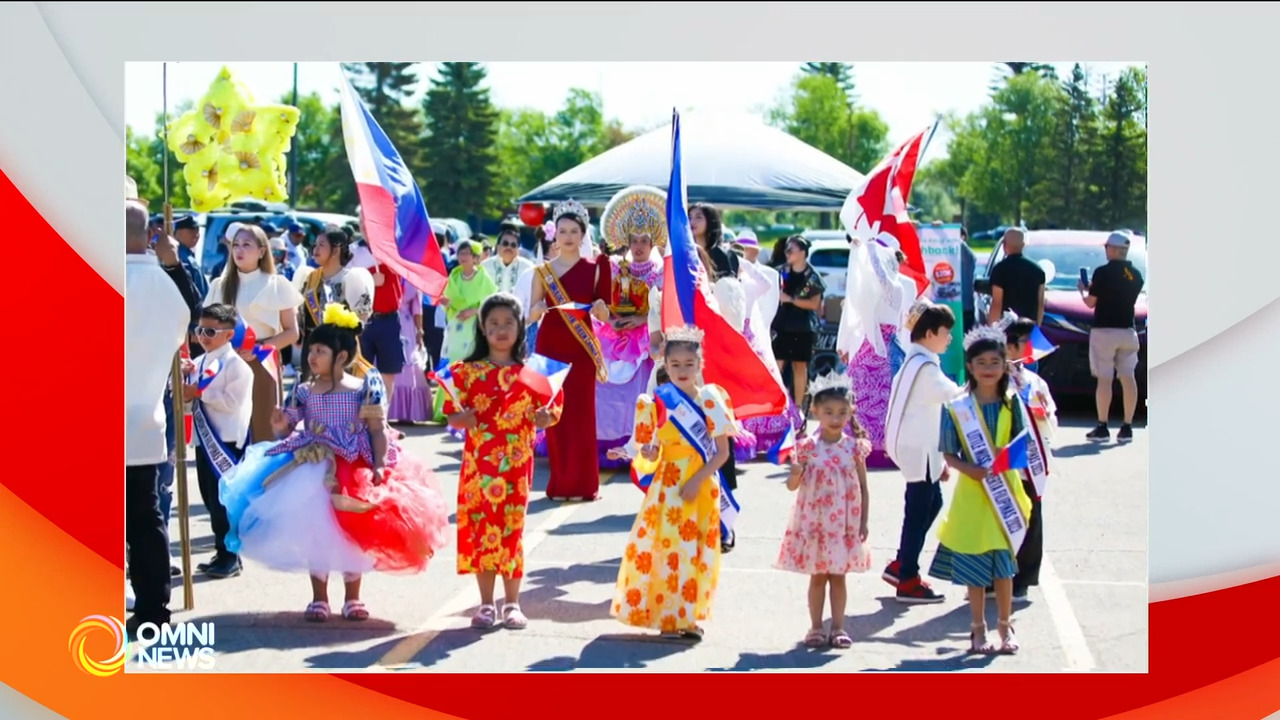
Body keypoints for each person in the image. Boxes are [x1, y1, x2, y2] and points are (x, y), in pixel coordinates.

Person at [218, 303, 451, 622]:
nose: (311, 356)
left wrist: (379, 464)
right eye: (310, 349)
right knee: (317, 532)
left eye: (320, 350)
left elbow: (376, 430)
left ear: (341, 356)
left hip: (352, 465)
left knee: (351, 532)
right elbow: (289, 423)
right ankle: (319, 598)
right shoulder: (303, 390)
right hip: (311, 464)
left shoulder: (363, 388)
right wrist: (280, 423)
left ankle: (353, 598)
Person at [609, 326, 735, 640]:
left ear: (700, 365)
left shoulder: (710, 400)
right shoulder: (661, 401)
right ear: (665, 364)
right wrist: (647, 451)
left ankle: (689, 617)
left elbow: (722, 453)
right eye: (675, 364)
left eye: (689, 364)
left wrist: (696, 481)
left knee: (694, 551)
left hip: (700, 484)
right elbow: (654, 449)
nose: (682, 371)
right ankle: (666, 614)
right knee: (666, 549)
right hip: (667, 485)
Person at [445, 294, 560, 631]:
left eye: (508, 323)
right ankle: (484, 605)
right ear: (482, 328)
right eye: (493, 324)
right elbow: (451, 410)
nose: (500, 330)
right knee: (482, 532)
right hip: (478, 468)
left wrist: (545, 417)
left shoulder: (534, 371)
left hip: (515, 468)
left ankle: (512, 603)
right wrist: (459, 419)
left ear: (520, 326)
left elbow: (553, 408)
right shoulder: (466, 373)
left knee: (511, 531)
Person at [928, 324, 1034, 655]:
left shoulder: (1011, 404)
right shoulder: (957, 407)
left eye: (995, 362)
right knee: (975, 568)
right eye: (981, 363)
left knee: (1004, 567)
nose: (988, 369)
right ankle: (977, 628)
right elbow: (947, 451)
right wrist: (968, 469)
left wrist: (1009, 461)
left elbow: (1023, 443)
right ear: (970, 367)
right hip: (973, 496)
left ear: (1005, 365)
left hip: (1004, 493)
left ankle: (1006, 626)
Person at [125, 200, 192, 637]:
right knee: (146, 520)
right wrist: (173, 265)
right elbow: (195, 319)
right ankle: (153, 607)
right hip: (145, 419)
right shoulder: (167, 285)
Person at [777, 372, 872, 649]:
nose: (835, 418)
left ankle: (839, 627)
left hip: (844, 525)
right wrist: (794, 474)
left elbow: (864, 487)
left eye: (842, 412)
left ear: (850, 412)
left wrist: (863, 521)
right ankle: (816, 626)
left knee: (839, 577)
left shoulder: (855, 448)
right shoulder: (807, 448)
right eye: (828, 412)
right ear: (816, 410)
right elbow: (793, 487)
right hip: (815, 526)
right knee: (818, 576)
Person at [528, 199, 613, 502]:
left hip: (581, 350)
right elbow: (530, 314)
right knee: (552, 418)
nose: (567, 236)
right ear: (554, 234)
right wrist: (537, 309)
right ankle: (560, 484)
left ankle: (584, 485)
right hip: (549, 348)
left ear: (582, 234)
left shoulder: (596, 268)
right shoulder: (542, 271)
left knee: (580, 417)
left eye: (573, 231)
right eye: (562, 230)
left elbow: (605, 314)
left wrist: (603, 309)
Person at [880, 301, 962, 604]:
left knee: (930, 504)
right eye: (946, 332)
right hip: (918, 449)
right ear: (929, 334)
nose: (949, 338)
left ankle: (902, 564)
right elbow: (954, 396)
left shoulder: (917, 361)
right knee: (917, 514)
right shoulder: (925, 368)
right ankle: (908, 579)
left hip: (915, 446)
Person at [204, 223, 303, 443]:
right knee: (229, 429)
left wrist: (260, 347)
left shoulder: (278, 285)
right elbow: (208, 330)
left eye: (246, 244)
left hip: (262, 362)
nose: (239, 250)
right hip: (226, 362)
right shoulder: (220, 285)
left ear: (261, 251)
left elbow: (292, 333)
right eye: (236, 245)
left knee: (262, 427)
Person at [988, 313, 1058, 602]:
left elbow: (1051, 417)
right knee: (998, 517)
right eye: (1023, 342)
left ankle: (1023, 577)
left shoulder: (1033, 381)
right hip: (1001, 459)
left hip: (1030, 461)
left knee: (1029, 517)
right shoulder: (993, 379)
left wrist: (1044, 412)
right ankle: (996, 577)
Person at [180, 303, 254, 579]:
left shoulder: (238, 367)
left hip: (227, 443)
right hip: (204, 441)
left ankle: (231, 556)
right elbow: (190, 398)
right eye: (200, 330)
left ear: (228, 334)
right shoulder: (200, 362)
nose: (204, 336)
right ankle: (221, 551)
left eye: (211, 331)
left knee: (225, 503)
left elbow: (231, 403)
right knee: (210, 499)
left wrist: (199, 393)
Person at [595, 185, 667, 468]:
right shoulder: (614, 267)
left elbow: (662, 308)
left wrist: (644, 319)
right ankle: (605, 443)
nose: (638, 246)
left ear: (653, 244)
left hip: (644, 339)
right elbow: (601, 300)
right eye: (634, 240)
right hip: (613, 334)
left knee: (638, 394)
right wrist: (612, 318)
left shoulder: (659, 274)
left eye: (644, 241)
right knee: (606, 390)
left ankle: (639, 443)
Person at [1080, 231, 1145, 442]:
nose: (1106, 251)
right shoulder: (1136, 275)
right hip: (1128, 329)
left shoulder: (1102, 273)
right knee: (1128, 377)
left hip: (1104, 330)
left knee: (1105, 379)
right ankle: (1127, 426)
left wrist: (1083, 290)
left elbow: (1091, 303)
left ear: (1113, 249)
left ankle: (1102, 426)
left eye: (1107, 247)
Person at [772, 236, 826, 414]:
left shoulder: (812, 276)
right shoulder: (780, 272)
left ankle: (798, 407)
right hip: (781, 324)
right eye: (786, 250)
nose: (787, 254)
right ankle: (774, 403)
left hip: (802, 326)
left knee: (799, 366)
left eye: (791, 250)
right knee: (776, 364)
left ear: (802, 252)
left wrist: (790, 299)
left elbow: (813, 304)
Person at [986, 227, 1046, 325]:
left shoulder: (1000, 269)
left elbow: (997, 303)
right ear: (1023, 245)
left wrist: (992, 328)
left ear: (1004, 245)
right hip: (1028, 327)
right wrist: (1037, 327)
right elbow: (1040, 304)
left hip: (1007, 327)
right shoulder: (1038, 270)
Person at [481, 223, 535, 296]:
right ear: (498, 246)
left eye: (513, 245)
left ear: (518, 249)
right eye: (505, 243)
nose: (509, 247)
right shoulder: (484, 267)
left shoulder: (528, 268)